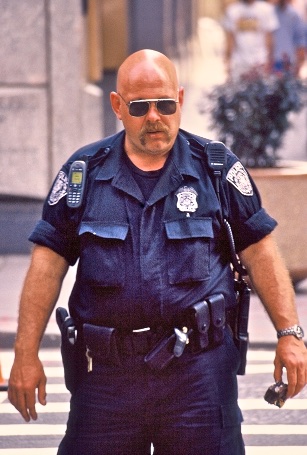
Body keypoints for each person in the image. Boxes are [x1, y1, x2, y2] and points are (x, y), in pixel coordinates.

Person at [8, 49, 307, 455]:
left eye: (165, 104)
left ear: (180, 100)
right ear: (117, 106)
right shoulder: (84, 173)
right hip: (108, 381)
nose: (154, 116)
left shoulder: (215, 169)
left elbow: (260, 249)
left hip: (198, 378)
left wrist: (290, 335)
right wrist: (25, 355)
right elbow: (47, 264)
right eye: (139, 106)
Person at [223, 0, 279, 79]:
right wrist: (228, 63)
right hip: (239, 63)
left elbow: (269, 37)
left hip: (260, 61)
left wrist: (270, 61)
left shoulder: (266, 9)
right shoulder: (232, 11)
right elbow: (230, 39)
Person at [269, 0, 305, 76]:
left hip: (289, 60)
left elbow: (300, 40)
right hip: (273, 60)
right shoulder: (270, 13)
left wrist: (299, 62)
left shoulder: (294, 15)